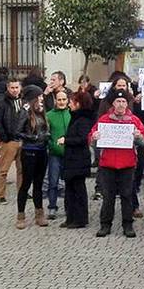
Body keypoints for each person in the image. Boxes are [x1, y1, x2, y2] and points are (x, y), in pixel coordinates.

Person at [89, 89, 144, 238]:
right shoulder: (104, 120)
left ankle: (127, 224)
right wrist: (95, 138)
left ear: (127, 104)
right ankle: (105, 224)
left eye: (123, 102)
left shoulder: (134, 120)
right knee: (108, 196)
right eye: (118, 101)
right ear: (113, 103)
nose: (121, 104)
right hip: (107, 164)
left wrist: (138, 136)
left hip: (127, 164)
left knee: (127, 196)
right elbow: (92, 141)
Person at [15, 85, 50, 229]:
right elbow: (16, 131)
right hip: (29, 150)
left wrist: (47, 135)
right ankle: (21, 215)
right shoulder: (25, 112)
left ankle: (39, 214)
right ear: (34, 97)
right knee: (26, 183)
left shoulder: (40, 111)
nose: (42, 98)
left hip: (42, 150)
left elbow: (44, 128)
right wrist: (31, 137)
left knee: (38, 183)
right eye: (40, 96)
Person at [59, 91, 94, 228]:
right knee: (70, 190)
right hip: (72, 159)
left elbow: (82, 139)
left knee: (78, 190)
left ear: (78, 104)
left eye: (72, 102)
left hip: (78, 160)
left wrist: (66, 140)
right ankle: (70, 217)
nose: (69, 104)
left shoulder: (84, 119)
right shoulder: (76, 117)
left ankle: (80, 219)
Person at [0, 77, 23, 204]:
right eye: (12, 88)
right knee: (4, 169)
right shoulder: (2, 103)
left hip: (22, 139)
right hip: (9, 141)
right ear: (8, 88)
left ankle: (22, 192)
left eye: (17, 87)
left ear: (20, 88)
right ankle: (0, 195)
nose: (15, 90)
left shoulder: (23, 101)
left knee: (22, 169)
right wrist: (5, 137)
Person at [45, 90, 70, 220]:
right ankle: (52, 207)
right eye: (59, 100)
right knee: (53, 182)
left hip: (69, 154)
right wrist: (52, 145)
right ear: (55, 101)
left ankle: (68, 207)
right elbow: (46, 135)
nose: (61, 102)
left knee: (69, 182)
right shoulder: (48, 115)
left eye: (63, 99)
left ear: (67, 100)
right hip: (55, 153)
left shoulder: (72, 114)